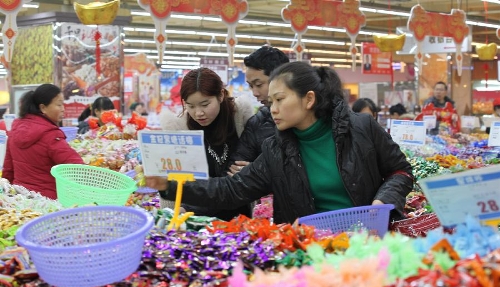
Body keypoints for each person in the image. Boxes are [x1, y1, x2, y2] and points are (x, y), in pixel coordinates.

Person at [148, 62, 414, 224]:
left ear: (308, 100)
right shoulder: (276, 150)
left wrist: (384, 201)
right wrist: (170, 186)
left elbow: (400, 171)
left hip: (365, 238)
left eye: (279, 99)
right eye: (270, 101)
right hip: (306, 247)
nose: (271, 109)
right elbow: (231, 190)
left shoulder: (361, 129)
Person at [159, 67, 254, 221]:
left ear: (221, 95)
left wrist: (251, 169)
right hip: (194, 221)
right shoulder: (180, 129)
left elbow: (257, 162)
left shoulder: (240, 120)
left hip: (240, 220)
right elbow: (172, 178)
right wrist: (170, 214)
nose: (198, 113)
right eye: (190, 106)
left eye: (205, 104)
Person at [2, 84, 84, 199]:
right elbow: (77, 169)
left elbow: (8, 170)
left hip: (20, 199)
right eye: (59, 104)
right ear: (43, 108)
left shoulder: (15, 129)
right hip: (48, 202)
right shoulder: (51, 135)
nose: (63, 109)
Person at [227, 46, 289, 176]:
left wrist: (258, 173)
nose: (254, 93)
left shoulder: (310, 119)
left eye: (259, 85)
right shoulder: (257, 123)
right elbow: (235, 168)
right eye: (250, 86)